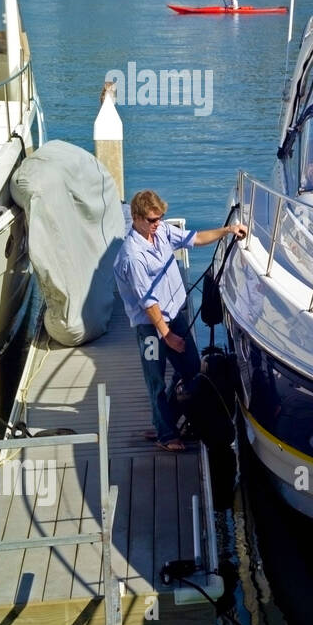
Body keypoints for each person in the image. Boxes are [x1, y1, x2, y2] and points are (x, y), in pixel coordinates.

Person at [114, 190, 248, 452]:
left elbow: (194, 238)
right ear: (136, 218)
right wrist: (167, 336)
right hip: (151, 328)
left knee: (191, 371)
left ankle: (166, 422)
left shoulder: (161, 231)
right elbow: (148, 301)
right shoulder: (132, 256)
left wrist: (228, 230)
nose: (157, 223)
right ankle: (166, 435)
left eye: (160, 217)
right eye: (152, 219)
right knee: (155, 381)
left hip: (175, 316)